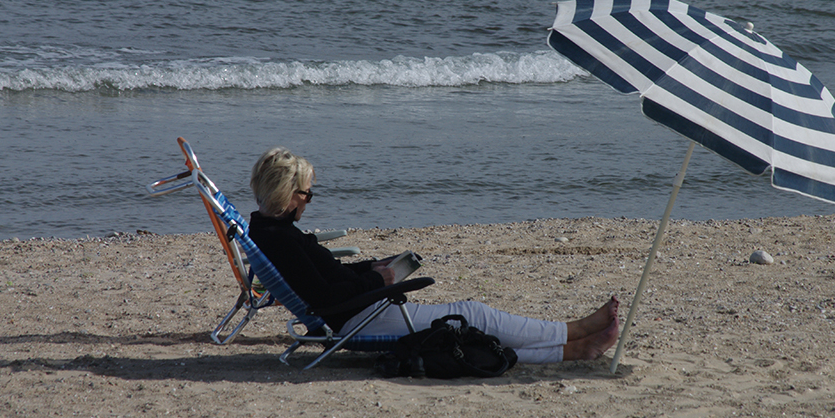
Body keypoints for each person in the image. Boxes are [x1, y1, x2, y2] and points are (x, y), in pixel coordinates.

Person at [247, 146, 620, 364]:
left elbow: (323, 276)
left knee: (467, 331)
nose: (309, 201)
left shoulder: (275, 232)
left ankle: (575, 348)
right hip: (355, 319)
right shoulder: (280, 239)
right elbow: (324, 297)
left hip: (359, 307)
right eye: (307, 194)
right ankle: (574, 333)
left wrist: (369, 267)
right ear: (287, 193)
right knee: (472, 317)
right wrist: (379, 280)